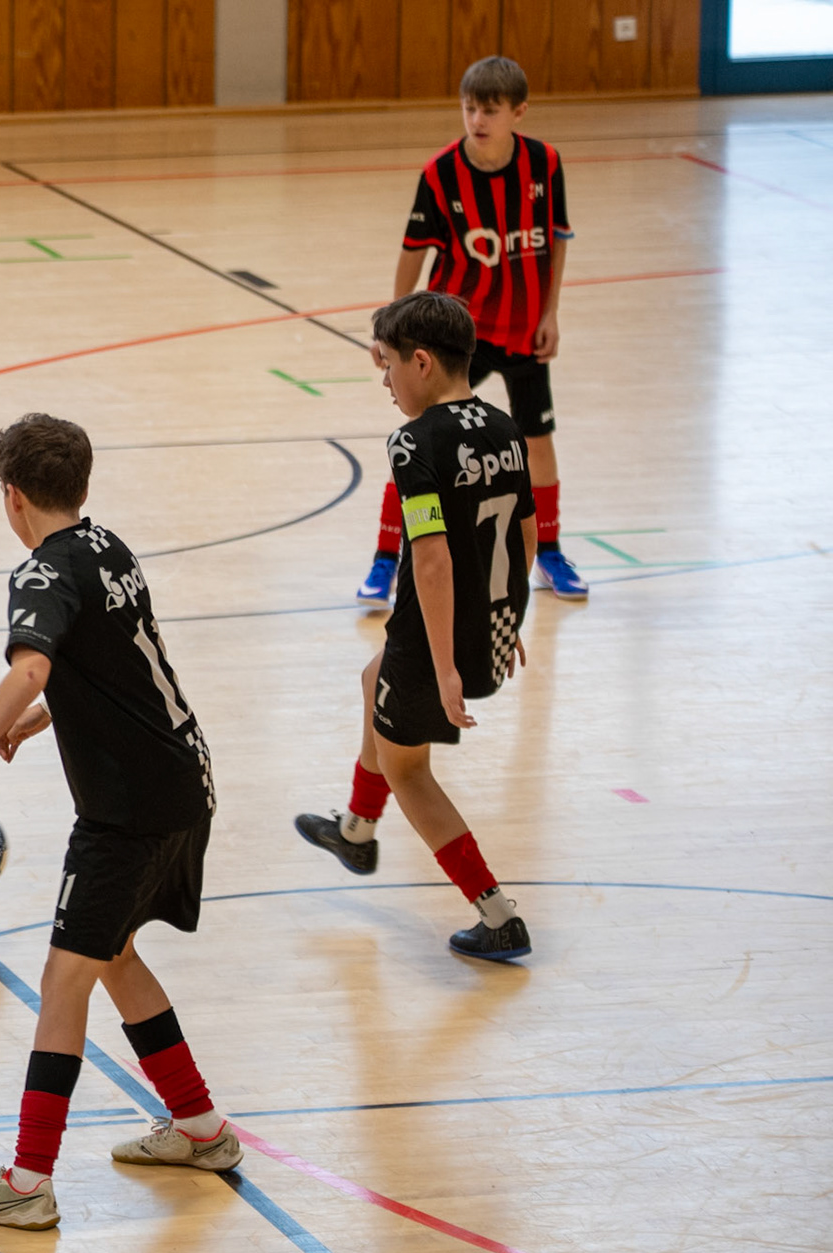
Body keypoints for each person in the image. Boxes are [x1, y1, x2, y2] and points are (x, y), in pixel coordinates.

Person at [0, 413, 235, 1232]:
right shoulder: (108, 547)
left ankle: (27, 1181)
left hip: (128, 813)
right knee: (112, 953)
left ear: (11, 496)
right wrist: (48, 716)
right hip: (184, 778)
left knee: (63, 981)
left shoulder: (41, 573)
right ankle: (200, 1126)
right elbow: (120, 664)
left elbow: (33, 665)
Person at [298, 293, 537, 961]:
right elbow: (525, 533)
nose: (386, 382)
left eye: (389, 367)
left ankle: (497, 914)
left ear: (423, 363)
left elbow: (430, 560)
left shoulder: (414, 442)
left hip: (435, 636)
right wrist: (507, 613)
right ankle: (356, 830)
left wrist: (444, 664)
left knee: (410, 771)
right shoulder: (505, 429)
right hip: (483, 621)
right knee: (372, 677)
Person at [358, 55, 586, 607]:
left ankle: (550, 552)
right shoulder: (440, 174)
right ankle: (386, 558)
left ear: (518, 112)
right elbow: (413, 252)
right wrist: (393, 332)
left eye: (490, 110)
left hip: (523, 328)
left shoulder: (545, 163)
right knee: (421, 437)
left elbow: (555, 238)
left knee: (537, 441)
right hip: (456, 335)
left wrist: (551, 313)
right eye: (469, 108)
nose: (477, 120)